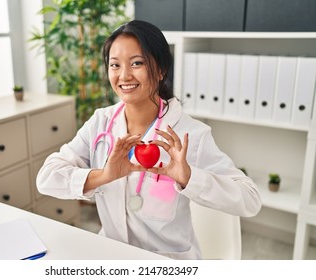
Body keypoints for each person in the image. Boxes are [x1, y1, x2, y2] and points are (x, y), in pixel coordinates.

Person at [36, 20, 262, 259]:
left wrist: (188, 177)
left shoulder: (191, 134)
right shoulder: (100, 123)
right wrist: (105, 175)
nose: (124, 75)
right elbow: (47, 178)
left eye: (137, 63)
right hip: (111, 255)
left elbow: (250, 199)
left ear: (161, 69)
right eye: (115, 65)